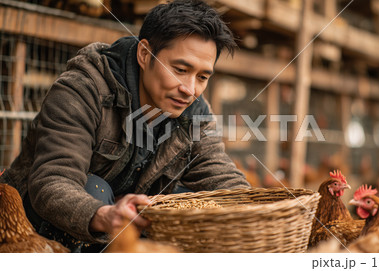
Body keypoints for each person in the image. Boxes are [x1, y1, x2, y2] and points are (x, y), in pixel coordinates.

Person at [0, 0, 249, 252]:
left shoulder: (194, 112)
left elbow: (221, 176)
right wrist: (105, 213)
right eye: (180, 69)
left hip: (123, 228)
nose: (190, 89)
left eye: (202, 77)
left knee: (187, 201)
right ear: (144, 54)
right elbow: (52, 182)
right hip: (34, 233)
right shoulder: (84, 89)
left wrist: (260, 207)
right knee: (95, 189)